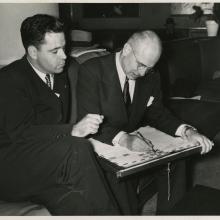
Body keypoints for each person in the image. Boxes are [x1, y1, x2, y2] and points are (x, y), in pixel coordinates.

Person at [77, 30, 213, 214]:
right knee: (124, 195)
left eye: (148, 68)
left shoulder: (151, 74)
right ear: (126, 49)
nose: (142, 73)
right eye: (140, 65)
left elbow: (158, 113)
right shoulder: (91, 71)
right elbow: (89, 123)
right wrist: (125, 139)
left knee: (177, 160)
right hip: (103, 144)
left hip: (137, 137)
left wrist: (187, 131)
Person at [0, 14, 120, 215]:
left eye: (64, 48)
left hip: (44, 163)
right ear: (32, 52)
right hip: (10, 168)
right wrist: (72, 130)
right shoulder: (9, 80)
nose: (64, 56)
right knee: (77, 148)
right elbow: (21, 134)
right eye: (55, 51)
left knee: (76, 201)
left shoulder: (60, 74)